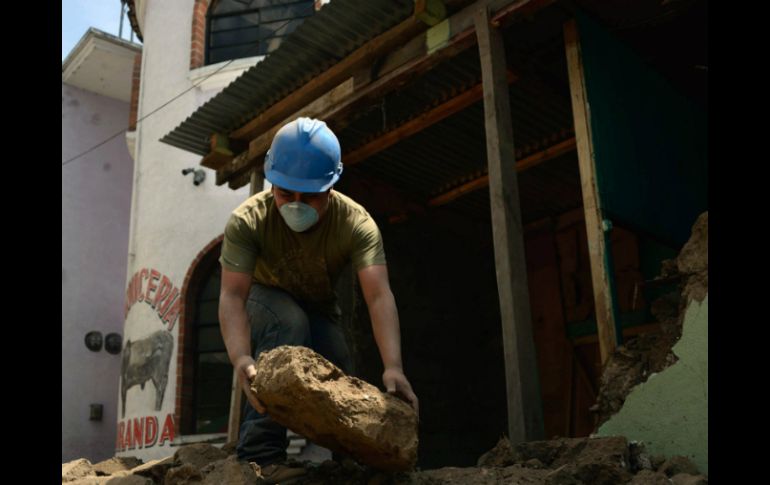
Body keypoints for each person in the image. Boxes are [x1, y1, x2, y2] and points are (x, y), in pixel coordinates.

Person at [218, 117, 418, 483]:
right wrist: (241, 357)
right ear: (272, 183)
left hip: (318, 304)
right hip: (262, 297)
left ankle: (349, 459)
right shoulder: (247, 221)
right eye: (284, 193)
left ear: (330, 187)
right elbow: (232, 295)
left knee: (340, 359)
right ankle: (260, 456)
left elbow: (378, 296)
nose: (295, 204)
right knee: (287, 323)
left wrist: (393, 366)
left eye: (309, 196)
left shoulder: (356, 224)